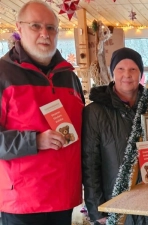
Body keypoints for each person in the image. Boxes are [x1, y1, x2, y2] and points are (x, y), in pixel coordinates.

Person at [0, 1, 85, 225]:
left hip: (64, 199)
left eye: (50, 28)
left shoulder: (70, 77)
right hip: (23, 203)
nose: (44, 34)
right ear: (19, 28)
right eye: (36, 26)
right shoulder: (3, 74)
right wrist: (35, 141)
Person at [82, 47, 148, 225]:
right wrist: (97, 209)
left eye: (133, 69)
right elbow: (90, 163)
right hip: (115, 205)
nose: (126, 75)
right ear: (113, 72)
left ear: (140, 74)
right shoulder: (95, 112)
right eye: (120, 69)